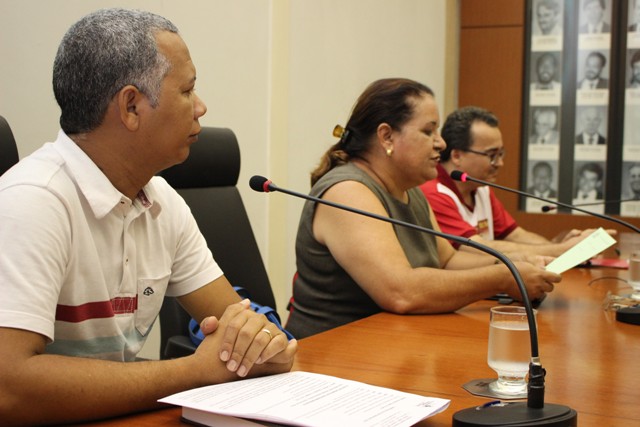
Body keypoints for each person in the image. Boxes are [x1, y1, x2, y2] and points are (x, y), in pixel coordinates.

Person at [0, 9, 296, 425]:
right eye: (188, 91)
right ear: (132, 106)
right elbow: (8, 387)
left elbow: (237, 323)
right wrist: (192, 371)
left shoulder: (161, 201)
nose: (201, 107)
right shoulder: (33, 201)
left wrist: (261, 341)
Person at [285, 79, 561, 339]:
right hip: (331, 357)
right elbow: (401, 292)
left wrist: (516, 264)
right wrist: (503, 278)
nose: (440, 143)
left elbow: (447, 261)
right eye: (429, 131)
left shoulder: (411, 192)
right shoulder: (347, 191)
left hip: (391, 343)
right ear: (387, 137)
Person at [421, 106, 598, 257]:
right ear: (457, 156)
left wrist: (556, 247)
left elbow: (514, 234)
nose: (500, 163)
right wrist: (560, 250)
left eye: (500, 154)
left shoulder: (480, 188)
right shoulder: (433, 193)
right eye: (491, 155)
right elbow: (476, 247)